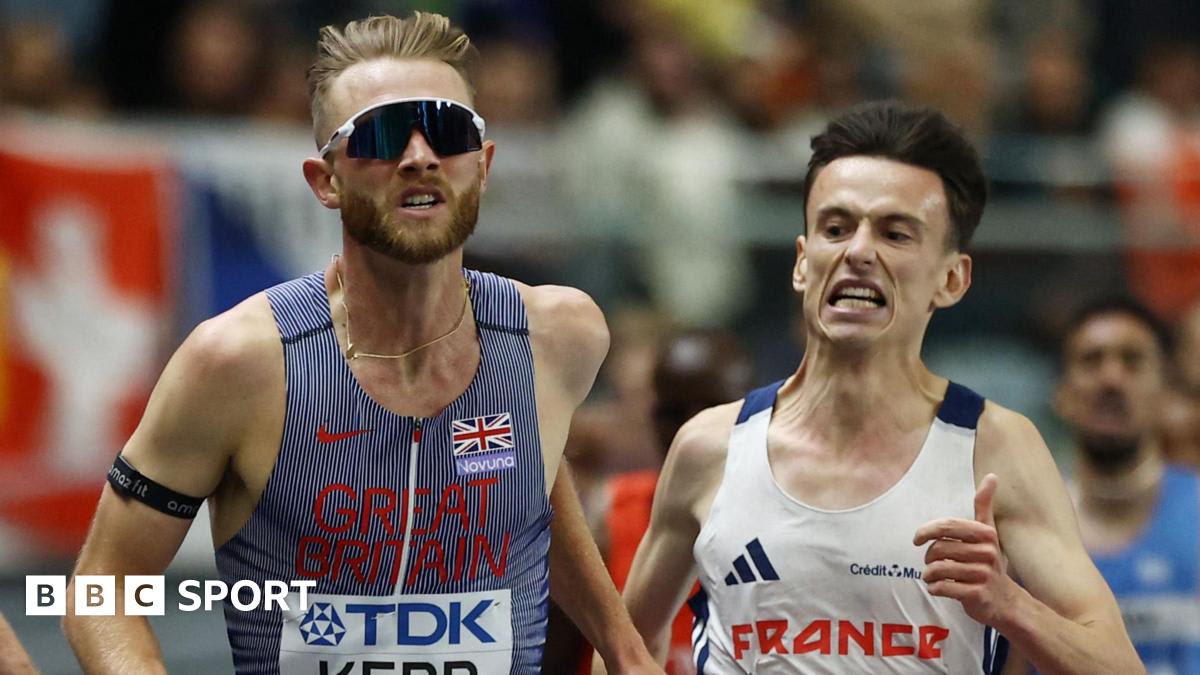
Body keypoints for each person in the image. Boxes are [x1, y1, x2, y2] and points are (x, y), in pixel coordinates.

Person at [62, 12, 662, 675]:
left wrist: (624, 646)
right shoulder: (237, 362)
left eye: (447, 130)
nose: (419, 156)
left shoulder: (558, 335)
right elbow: (102, 587)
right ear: (326, 181)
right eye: (379, 136)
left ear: (482, 164)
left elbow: (535, 477)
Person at [610, 101, 1144, 674]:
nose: (859, 252)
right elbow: (621, 652)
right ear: (801, 263)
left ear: (951, 278)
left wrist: (1011, 606)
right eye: (836, 228)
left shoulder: (995, 448)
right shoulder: (710, 448)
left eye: (895, 233)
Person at [1054, 297, 1200, 673]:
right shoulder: (1024, 527)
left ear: (1166, 390)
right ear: (1062, 394)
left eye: (1132, 361)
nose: (1111, 379)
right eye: (1091, 360)